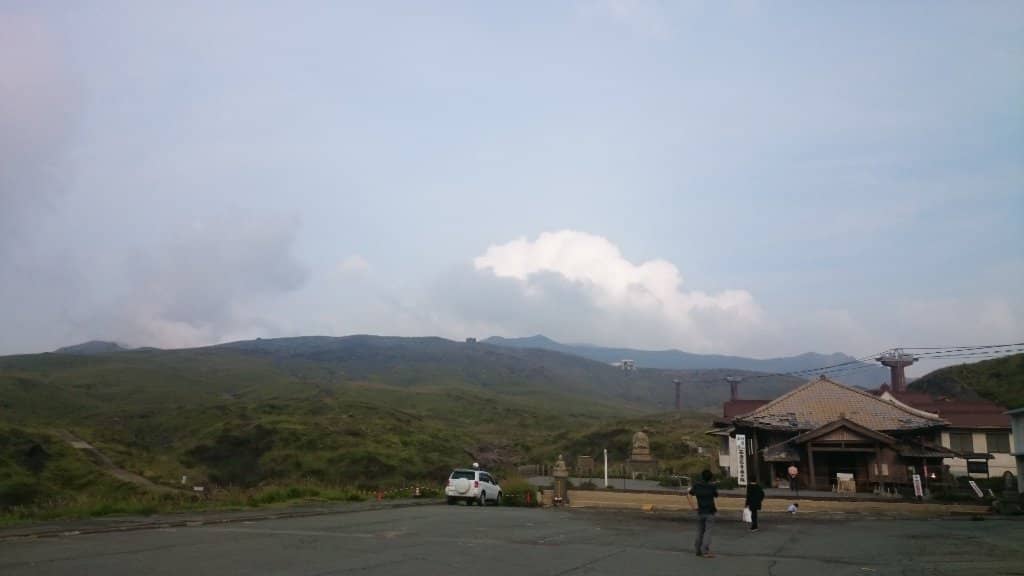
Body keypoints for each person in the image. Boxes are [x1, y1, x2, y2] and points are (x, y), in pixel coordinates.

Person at [687, 469, 719, 558]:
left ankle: (698, 550)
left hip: (700, 511)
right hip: (710, 511)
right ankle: (705, 550)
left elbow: (689, 495)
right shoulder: (712, 486)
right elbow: (716, 495)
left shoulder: (697, 486)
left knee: (700, 531)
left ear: (701, 476)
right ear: (710, 478)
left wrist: (693, 506)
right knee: (708, 532)